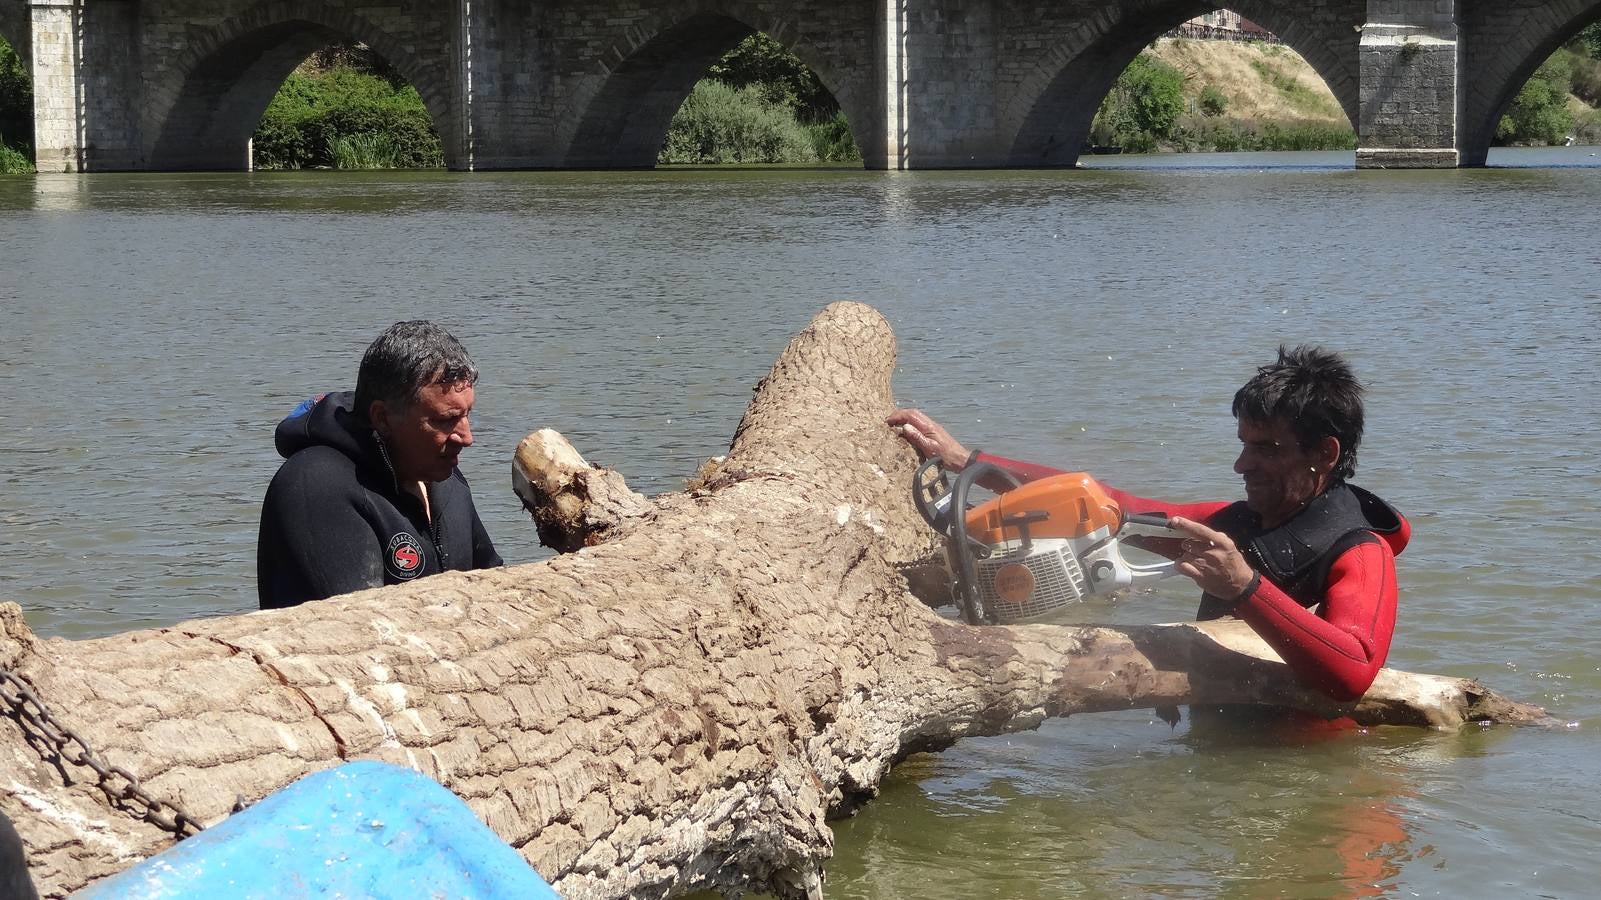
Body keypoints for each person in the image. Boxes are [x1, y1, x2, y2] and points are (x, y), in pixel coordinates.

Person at [887, 345, 1409, 703]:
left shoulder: (1361, 553)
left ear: (1325, 453)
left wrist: (1245, 587)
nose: (1242, 466)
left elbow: (1355, 671)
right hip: (1226, 762)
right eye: (1244, 445)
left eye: (1267, 449)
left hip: (1312, 781)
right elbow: (1105, 505)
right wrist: (971, 462)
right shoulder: (1234, 526)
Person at [258, 321, 503, 609]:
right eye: (445, 419)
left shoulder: (443, 476)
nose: (467, 437)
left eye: (466, 414)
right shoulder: (316, 486)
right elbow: (354, 626)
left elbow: (494, 583)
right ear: (383, 418)